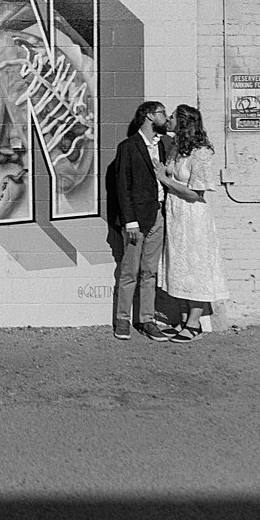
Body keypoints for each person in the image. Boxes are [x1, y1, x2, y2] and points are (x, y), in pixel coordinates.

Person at [152, 104, 230, 343]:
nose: (169, 120)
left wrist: (165, 180)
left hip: (193, 216)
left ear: (184, 123)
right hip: (176, 215)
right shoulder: (176, 148)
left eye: (173, 117)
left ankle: (194, 323)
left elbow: (196, 193)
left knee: (195, 267)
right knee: (179, 267)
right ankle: (184, 319)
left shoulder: (201, 152)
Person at [112, 101, 172, 341]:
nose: (166, 118)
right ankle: (123, 319)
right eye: (162, 113)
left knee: (150, 272)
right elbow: (122, 186)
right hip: (137, 219)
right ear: (149, 116)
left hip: (159, 215)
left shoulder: (165, 146)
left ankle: (147, 320)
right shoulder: (128, 147)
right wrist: (130, 222)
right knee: (129, 271)